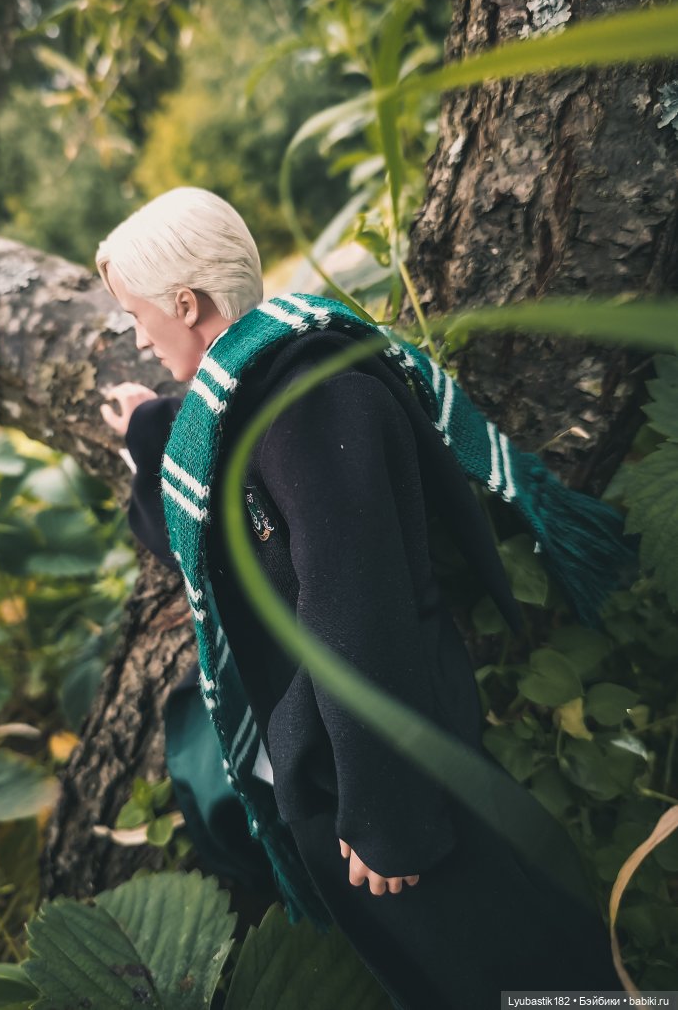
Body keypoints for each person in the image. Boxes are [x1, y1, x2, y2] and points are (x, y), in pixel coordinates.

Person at [95, 186, 622, 1009]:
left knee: (501, 960)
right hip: (330, 764)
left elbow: (359, 610)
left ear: (187, 304)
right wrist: (148, 430)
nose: (135, 337)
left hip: (386, 772)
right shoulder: (254, 391)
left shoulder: (314, 404)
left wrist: (388, 817)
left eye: (137, 315)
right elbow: (225, 543)